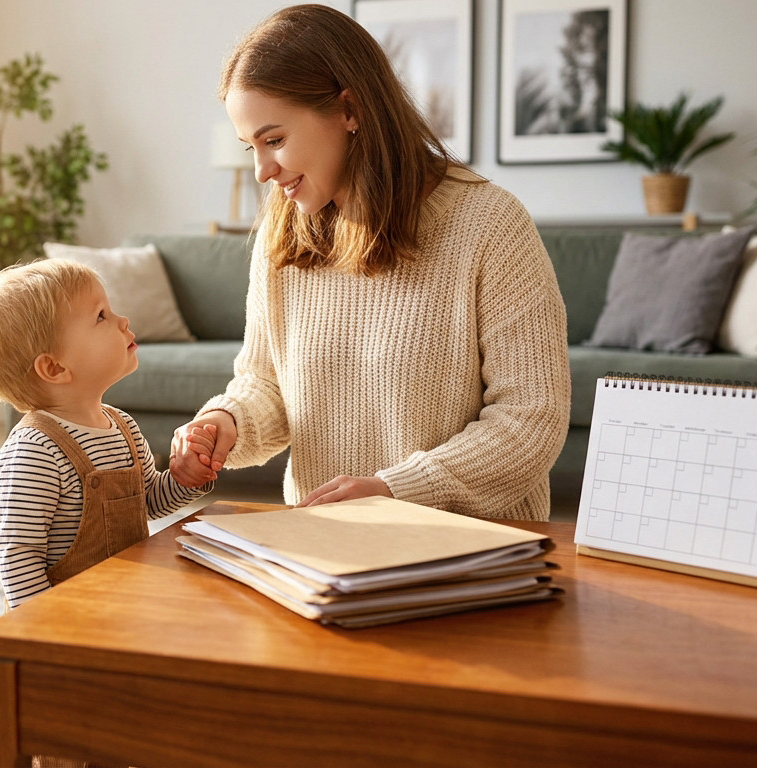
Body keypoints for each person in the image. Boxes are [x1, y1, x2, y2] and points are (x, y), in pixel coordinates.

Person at [170, 4, 570, 521]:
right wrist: (227, 423)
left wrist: (395, 490)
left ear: (350, 110)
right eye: (250, 146)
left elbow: (530, 420)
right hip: (326, 553)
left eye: (274, 140)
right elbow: (266, 383)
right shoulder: (283, 232)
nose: (262, 171)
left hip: (470, 553)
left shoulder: (490, 223)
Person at [0, 258, 214, 609]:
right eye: (101, 316)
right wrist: (44, 626)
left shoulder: (122, 427)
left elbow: (151, 503)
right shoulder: (34, 452)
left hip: (123, 604)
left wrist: (184, 478)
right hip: (67, 619)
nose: (122, 320)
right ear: (55, 367)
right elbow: (18, 553)